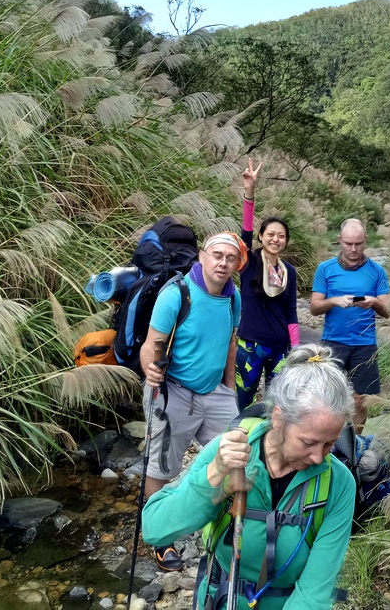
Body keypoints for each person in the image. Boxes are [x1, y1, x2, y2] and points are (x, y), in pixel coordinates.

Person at [142, 344, 356, 609]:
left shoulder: (338, 483)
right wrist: (213, 477)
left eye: (329, 444)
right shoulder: (229, 450)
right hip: (220, 598)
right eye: (308, 442)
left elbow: (315, 590)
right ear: (278, 419)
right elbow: (154, 529)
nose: (318, 457)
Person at [139, 231, 248, 571]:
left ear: (236, 264)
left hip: (215, 391)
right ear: (202, 256)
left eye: (230, 258)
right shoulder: (177, 294)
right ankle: (161, 539)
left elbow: (230, 342)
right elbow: (151, 343)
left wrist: (229, 388)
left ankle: (229, 525)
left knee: (237, 452)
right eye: (217, 255)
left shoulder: (234, 298)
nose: (223, 263)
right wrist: (150, 369)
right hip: (174, 391)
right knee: (161, 466)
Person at [309, 219, 390, 433]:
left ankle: (355, 444)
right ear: (339, 241)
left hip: (365, 343)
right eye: (348, 243)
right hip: (333, 341)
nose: (353, 249)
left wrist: (373, 302)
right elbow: (314, 307)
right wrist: (334, 301)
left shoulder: (377, 271)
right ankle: (329, 440)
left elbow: (389, 311)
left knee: (360, 399)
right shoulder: (325, 269)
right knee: (329, 397)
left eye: (358, 243)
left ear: (365, 241)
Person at [235, 158, 300, 411]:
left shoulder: (289, 272)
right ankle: (243, 444)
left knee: (278, 406)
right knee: (244, 402)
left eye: (281, 236)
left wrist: (296, 349)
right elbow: (245, 232)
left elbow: (291, 311)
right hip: (250, 345)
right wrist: (249, 192)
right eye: (270, 234)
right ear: (261, 237)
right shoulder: (248, 262)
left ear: (286, 241)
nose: (276, 239)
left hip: (279, 348)